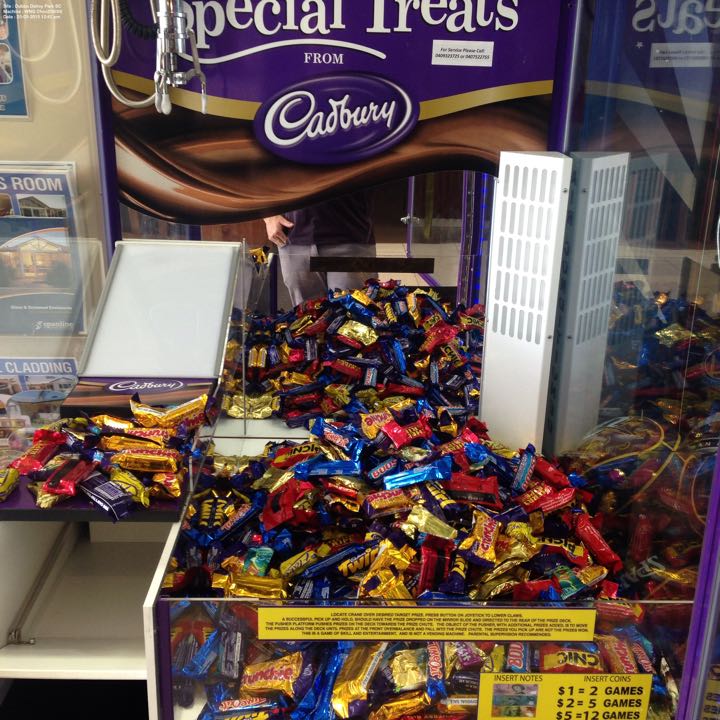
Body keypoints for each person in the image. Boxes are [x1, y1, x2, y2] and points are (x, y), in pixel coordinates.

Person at [263, 189, 376, 306]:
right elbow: (259, 178)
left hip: (350, 236)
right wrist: (268, 215)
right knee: (305, 315)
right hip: (293, 238)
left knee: (356, 313)